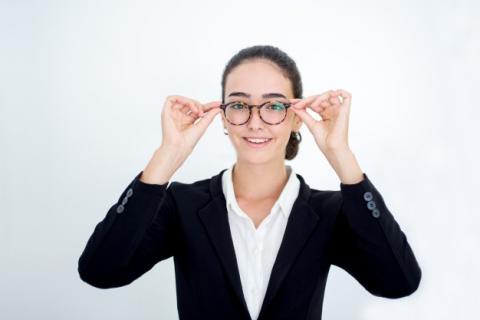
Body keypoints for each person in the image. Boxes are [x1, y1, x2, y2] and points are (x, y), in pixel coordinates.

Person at [77, 45, 422, 320]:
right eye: (240, 104)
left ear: (297, 117)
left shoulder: (329, 213)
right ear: (224, 118)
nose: (255, 122)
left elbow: (398, 282)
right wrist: (168, 154)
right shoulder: (183, 205)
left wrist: (339, 153)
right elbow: (100, 271)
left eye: (273, 105)